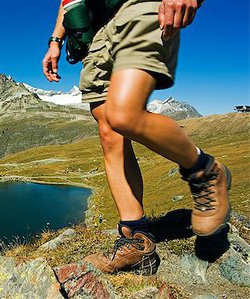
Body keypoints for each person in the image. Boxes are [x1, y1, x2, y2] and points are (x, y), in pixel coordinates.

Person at [42, 0, 231, 274]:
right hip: (94, 33)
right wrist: (55, 40)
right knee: (108, 129)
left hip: (141, 6)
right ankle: (136, 240)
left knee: (123, 114)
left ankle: (206, 171)